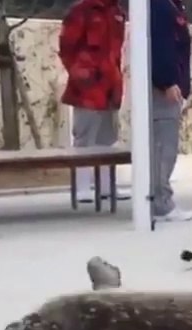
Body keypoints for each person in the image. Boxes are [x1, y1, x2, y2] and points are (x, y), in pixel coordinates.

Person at [58, 0, 129, 203]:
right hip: (88, 89)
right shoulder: (81, 10)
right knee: (84, 138)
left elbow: (116, 51)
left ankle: (106, 187)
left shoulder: (117, 12)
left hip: (110, 86)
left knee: (107, 139)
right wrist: (82, 75)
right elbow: (66, 48)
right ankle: (82, 187)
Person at [150, 0, 192, 221]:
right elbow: (158, 45)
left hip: (171, 85)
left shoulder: (172, 5)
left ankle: (160, 199)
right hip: (163, 88)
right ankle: (161, 204)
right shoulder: (159, 6)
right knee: (162, 148)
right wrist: (167, 81)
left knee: (165, 145)